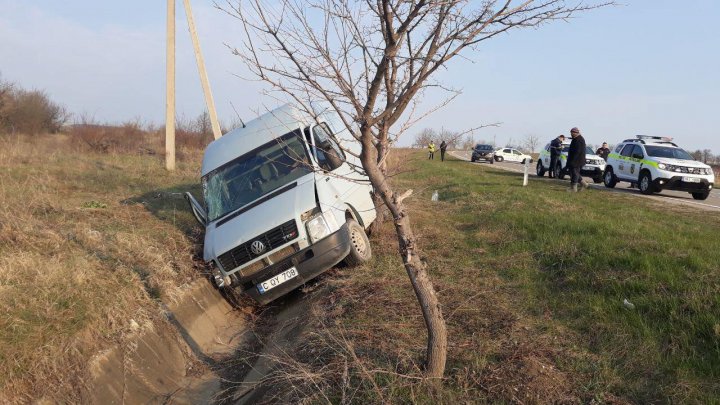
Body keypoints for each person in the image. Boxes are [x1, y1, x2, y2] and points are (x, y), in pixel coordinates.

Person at [566, 127, 588, 192]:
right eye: (571, 132)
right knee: (575, 173)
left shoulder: (579, 139)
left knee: (574, 174)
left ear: (576, 133)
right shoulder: (575, 139)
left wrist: (573, 161)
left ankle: (573, 188)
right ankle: (584, 184)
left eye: (572, 133)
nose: (571, 134)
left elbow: (578, 151)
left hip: (577, 160)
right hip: (575, 160)